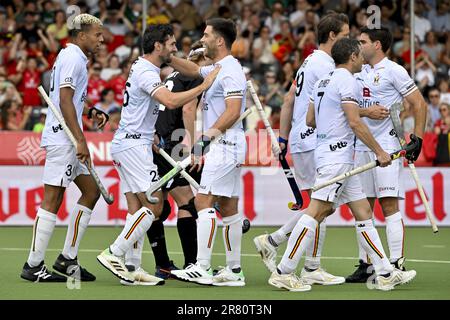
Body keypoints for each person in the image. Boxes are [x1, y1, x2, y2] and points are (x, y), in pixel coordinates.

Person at [269, 38, 417, 292]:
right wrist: (380, 152)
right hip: (337, 159)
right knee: (316, 212)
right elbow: (355, 122)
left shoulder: (323, 80)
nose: (362, 59)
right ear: (351, 57)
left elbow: (311, 119)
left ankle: (384, 272)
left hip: (334, 156)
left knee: (363, 212)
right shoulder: (347, 80)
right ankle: (284, 271)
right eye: (359, 55)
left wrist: (332, 124)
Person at [96, 24, 219, 285]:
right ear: (157, 46)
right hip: (134, 147)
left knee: (137, 209)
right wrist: (204, 85)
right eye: (172, 44)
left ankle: (132, 267)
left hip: (131, 143)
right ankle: (114, 252)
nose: (176, 49)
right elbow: (172, 101)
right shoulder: (146, 71)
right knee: (154, 206)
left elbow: (150, 103)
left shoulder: (146, 67)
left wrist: (150, 131)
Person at [253, 12, 350, 286]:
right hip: (314, 139)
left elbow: (287, 100)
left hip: (301, 138)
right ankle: (298, 259)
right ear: (332, 36)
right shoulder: (328, 65)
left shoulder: (309, 61)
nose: (349, 39)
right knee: (321, 205)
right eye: (344, 34)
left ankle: (286, 248)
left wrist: (283, 140)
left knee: (321, 205)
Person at [20, 14, 108, 282]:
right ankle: (33, 265)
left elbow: (70, 98)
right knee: (53, 199)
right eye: (97, 35)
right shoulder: (72, 57)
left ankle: (67, 258)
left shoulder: (74, 57)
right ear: (81, 36)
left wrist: (89, 110)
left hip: (68, 137)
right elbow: (65, 99)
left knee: (91, 192)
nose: (102, 40)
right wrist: (80, 139)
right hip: (64, 139)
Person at [169, 18, 248, 286]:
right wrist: (168, 57)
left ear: (219, 41)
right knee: (227, 206)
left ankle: (202, 266)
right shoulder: (217, 67)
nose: (202, 39)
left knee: (203, 202)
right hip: (227, 144)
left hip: (224, 144)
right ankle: (234, 270)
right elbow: (193, 70)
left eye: (206, 35)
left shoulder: (230, 70)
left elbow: (234, 111)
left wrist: (205, 139)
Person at [346, 26, 427, 283]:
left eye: (363, 41)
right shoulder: (356, 69)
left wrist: (418, 138)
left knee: (388, 204)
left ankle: (396, 263)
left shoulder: (394, 70)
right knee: (363, 207)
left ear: (377, 45)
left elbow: (419, 104)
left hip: (388, 147)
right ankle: (366, 264)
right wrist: (365, 112)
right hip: (361, 146)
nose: (359, 46)